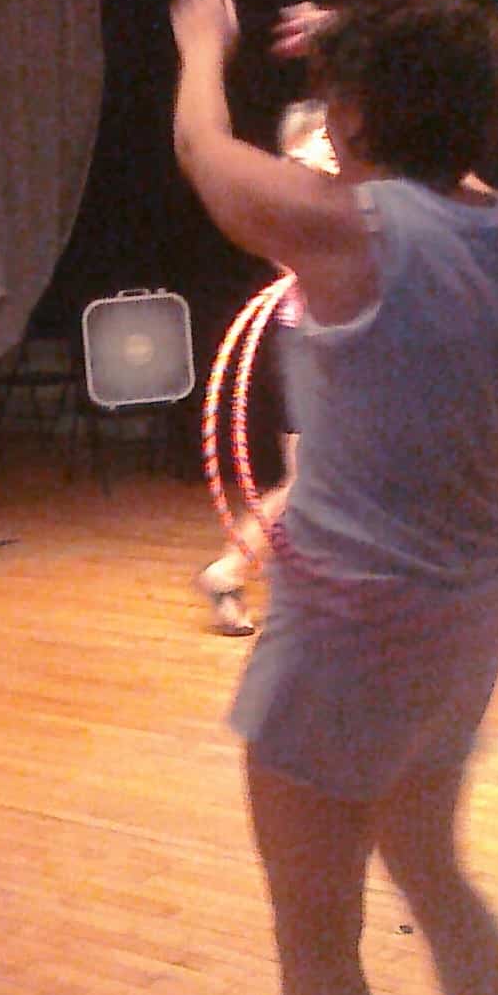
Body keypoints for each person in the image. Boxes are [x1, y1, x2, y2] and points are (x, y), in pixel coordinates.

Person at [169, 0, 498, 995]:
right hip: (467, 613)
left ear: (349, 112)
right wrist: (366, 60)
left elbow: (204, 152)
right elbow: (427, 166)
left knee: (318, 939)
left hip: (345, 633)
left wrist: (203, 47)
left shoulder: (338, 227)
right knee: (432, 867)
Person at [195, 99, 337, 636]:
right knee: (309, 478)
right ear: (296, 146)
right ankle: (230, 571)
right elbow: (297, 259)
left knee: (324, 478)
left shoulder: (341, 192)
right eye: (322, 137)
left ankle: (250, 577)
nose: (333, 146)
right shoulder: (288, 195)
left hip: (339, 344)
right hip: (310, 343)